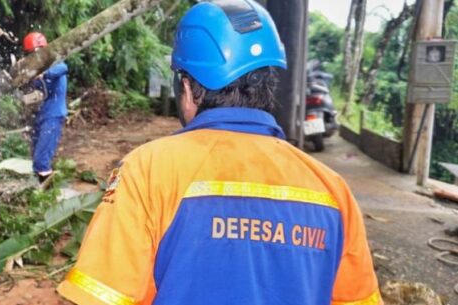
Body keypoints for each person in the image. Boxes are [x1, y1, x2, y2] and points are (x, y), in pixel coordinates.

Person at [57, 1, 382, 305]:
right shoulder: (333, 191)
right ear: (269, 81)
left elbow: (102, 295)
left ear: (185, 86)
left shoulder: (147, 169)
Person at [22, 32, 69, 183]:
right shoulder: (33, 70)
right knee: (36, 153)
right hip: (40, 115)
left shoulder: (56, 63)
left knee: (41, 159)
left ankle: (46, 192)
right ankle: (40, 185)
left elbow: (63, 68)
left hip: (53, 115)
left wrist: (44, 73)